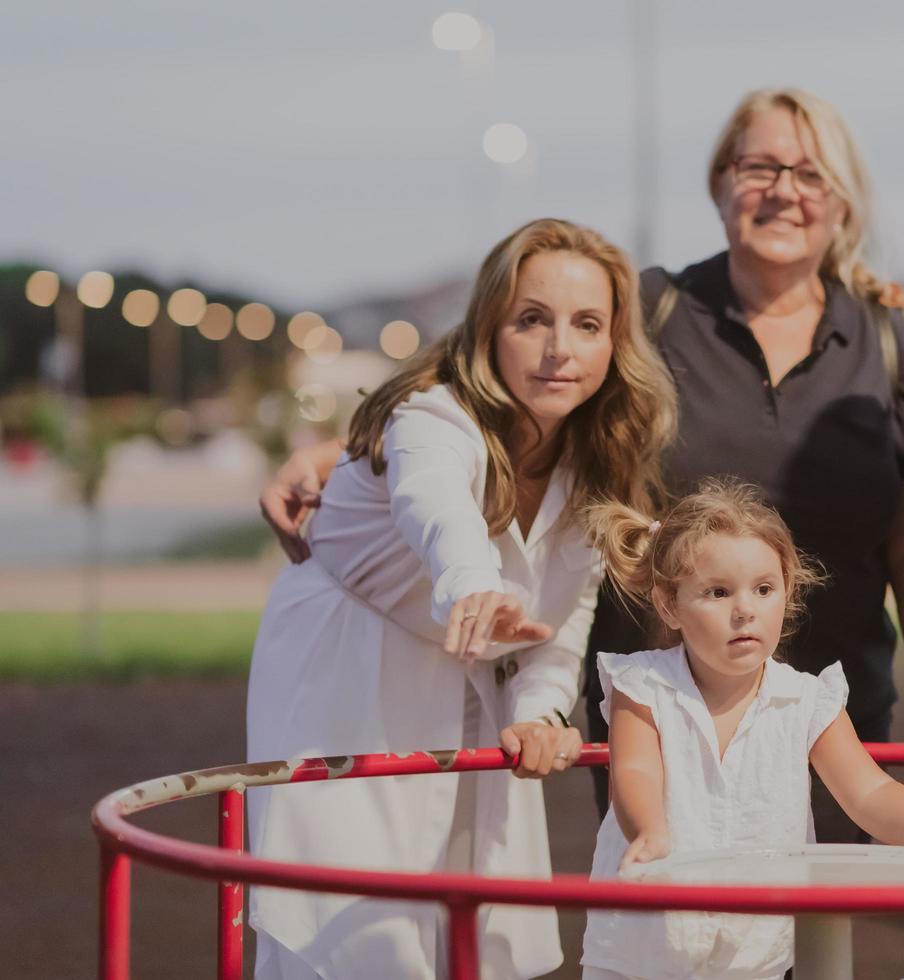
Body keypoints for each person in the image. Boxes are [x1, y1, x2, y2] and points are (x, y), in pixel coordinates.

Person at [262, 89, 904, 842]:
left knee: (814, 948)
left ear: (844, 201)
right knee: (668, 934)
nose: (783, 190)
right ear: (718, 182)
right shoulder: (653, 308)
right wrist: (347, 449)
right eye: (759, 166)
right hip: (663, 713)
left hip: (830, 710)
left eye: (810, 173)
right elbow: (497, 372)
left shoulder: (888, 340)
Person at [246, 218, 677, 979]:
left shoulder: (591, 463)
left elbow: (564, 623)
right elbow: (434, 502)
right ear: (487, 329)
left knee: (473, 934)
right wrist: (473, 580)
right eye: (531, 319)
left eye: (587, 325)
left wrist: (540, 714)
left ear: (616, 344)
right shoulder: (433, 416)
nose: (559, 349)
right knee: (354, 933)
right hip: (345, 672)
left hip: (472, 679)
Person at [579, 479, 904, 980]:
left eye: (764, 589)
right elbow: (634, 769)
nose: (745, 609)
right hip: (643, 946)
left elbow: (868, 790)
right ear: (669, 605)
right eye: (718, 592)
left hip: (753, 953)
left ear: (787, 594)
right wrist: (649, 831)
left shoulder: (806, 699)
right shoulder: (642, 685)